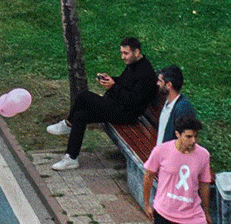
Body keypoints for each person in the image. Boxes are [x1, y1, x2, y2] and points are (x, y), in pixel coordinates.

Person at [47, 38, 157, 170]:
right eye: (122, 53)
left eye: (126, 53)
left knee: (84, 96)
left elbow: (134, 100)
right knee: (80, 116)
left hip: (126, 114)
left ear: (137, 52)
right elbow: (124, 83)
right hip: (118, 105)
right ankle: (71, 158)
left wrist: (113, 87)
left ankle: (68, 124)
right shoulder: (134, 64)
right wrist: (110, 79)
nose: (123, 57)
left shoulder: (146, 73)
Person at [147, 65, 198, 224]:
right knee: (163, 204)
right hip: (165, 160)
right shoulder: (169, 103)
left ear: (168, 85)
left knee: (174, 205)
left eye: (160, 81)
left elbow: (186, 139)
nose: (157, 84)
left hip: (176, 164)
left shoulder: (183, 108)